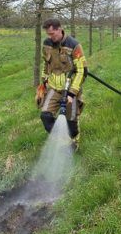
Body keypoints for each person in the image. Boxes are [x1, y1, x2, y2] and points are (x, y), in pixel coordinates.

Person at [36, 18, 86, 149]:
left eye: (52, 34)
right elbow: (46, 65)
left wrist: (72, 93)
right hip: (53, 88)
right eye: (48, 34)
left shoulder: (73, 45)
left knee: (71, 123)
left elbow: (82, 71)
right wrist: (43, 84)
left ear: (59, 29)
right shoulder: (46, 44)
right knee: (45, 116)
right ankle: (62, 140)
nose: (50, 37)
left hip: (70, 91)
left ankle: (74, 143)